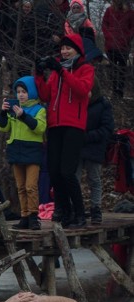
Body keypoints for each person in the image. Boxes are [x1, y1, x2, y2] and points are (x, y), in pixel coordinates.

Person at [35, 33, 94, 228]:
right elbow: (44, 95)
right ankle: (64, 210)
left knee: (67, 172)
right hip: (55, 125)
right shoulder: (55, 73)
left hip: (74, 126)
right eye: (62, 48)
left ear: (77, 50)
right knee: (54, 170)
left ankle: (79, 213)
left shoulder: (85, 69)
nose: (64, 51)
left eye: (68, 48)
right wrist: (38, 74)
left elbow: (81, 90)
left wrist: (61, 71)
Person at [0, 75, 48, 230]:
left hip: (32, 151)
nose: (21, 95)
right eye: (18, 91)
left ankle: (34, 216)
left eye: (24, 91)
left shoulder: (39, 109)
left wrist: (24, 116)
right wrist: (3, 113)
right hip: (16, 151)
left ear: (32, 92)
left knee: (31, 186)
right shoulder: (14, 108)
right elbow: (3, 128)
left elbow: (40, 128)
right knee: (20, 186)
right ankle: (24, 215)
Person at [76, 87, 115, 225]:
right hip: (77, 146)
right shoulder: (76, 102)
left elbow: (107, 128)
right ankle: (76, 209)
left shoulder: (103, 105)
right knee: (74, 178)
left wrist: (89, 136)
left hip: (95, 146)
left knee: (94, 179)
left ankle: (96, 209)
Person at [101, 0, 134, 99]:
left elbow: (132, 28)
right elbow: (104, 25)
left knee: (122, 70)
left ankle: (120, 92)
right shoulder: (109, 11)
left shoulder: (130, 13)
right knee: (113, 70)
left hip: (123, 46)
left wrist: (126, 37)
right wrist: (109, 36)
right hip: (110, 46)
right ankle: (114, 91)